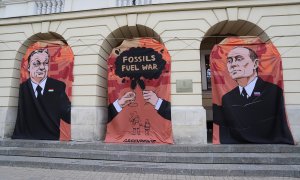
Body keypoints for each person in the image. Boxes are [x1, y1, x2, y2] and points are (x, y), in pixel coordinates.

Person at [213, 46, 294, 144]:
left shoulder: (273, 91)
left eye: (239, 59)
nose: (233, 64)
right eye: (229, 61)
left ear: (255, 63)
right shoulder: (227, 97)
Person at [12, 48, 71, 140]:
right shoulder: (22, 89)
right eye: (37, 63)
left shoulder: (58, 86)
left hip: (51, 139)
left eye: (45, 63)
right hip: (25, 137)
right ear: (28, 67)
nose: (42, 67)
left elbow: (68, 115)